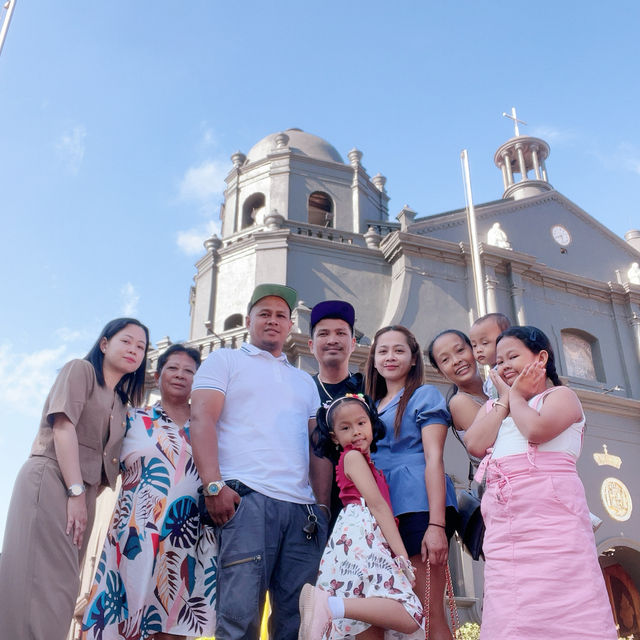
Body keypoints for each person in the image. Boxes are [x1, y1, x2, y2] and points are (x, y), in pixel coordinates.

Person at [189, 283, 331, 640]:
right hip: (247, 501)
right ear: (249, 320)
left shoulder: (305, 382)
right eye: (264, 313)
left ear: (290, 326)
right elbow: (202, 419)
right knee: (239, 620)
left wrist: (323, 506)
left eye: (281, 315)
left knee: (296, 624)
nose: (272, 320)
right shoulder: (225, 360)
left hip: (302, 514)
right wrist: (213, 485)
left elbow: (317, 445)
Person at [464, 326, 617, 639]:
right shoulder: (496, 407)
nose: (503, 366)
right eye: (498, 362)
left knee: (569, 601)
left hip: (553, 518)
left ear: (541, 358)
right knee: (509, 608)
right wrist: (506, 400)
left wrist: (514, 396)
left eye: (512, 357)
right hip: (506, 525)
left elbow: (536, 430)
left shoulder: (561, 396)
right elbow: (475, 444)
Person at [0, 318, 149, 640]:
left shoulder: (123, 404)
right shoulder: (80, 370)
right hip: (53, 480)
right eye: (127, 341)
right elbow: (63, 427)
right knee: (38, 583)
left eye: (141, 346)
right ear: (105, 343)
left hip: (84, 494)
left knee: (63, 587)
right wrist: (76, 492)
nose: (134, 350)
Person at [81, 344, 216, 640]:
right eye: (173, 368)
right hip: (135, 534)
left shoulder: (209, 426)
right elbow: (100, 463)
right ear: (158, 374)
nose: (180, 375)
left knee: (173, 626)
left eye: (189, 371)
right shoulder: (133, 420)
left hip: (188, 535)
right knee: (124, 619)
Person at [300, 393, 424, 639]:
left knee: (369, 628)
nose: (356, 431)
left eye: (361, 423)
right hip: (363, 535)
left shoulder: (365, 462)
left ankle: (330, 605)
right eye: (346, 427)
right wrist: (402, 557)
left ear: (371, 423)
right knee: (410, 615)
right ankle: (330, 605)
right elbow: (377, 506)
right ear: (335, 437)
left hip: (359, 538)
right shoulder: (354, 457)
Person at [366, 325, 457, 640]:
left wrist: (437, 525)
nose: (390, 357)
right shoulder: (368, 405)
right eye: (383, 351)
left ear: (413, 357)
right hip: (378, 513)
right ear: (374, 359)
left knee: (427, 608)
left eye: (399, 350)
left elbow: (434, 459)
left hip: (418, 506)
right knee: (378, 610)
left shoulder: (424, 395)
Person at [309, 299, 364, 531]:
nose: (332, 340)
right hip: (311, 509)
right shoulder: (301, 390)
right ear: (311, 344)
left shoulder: (369, 388)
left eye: (340, 333)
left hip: (363, 507)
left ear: (352, 343)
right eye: (324, 334)